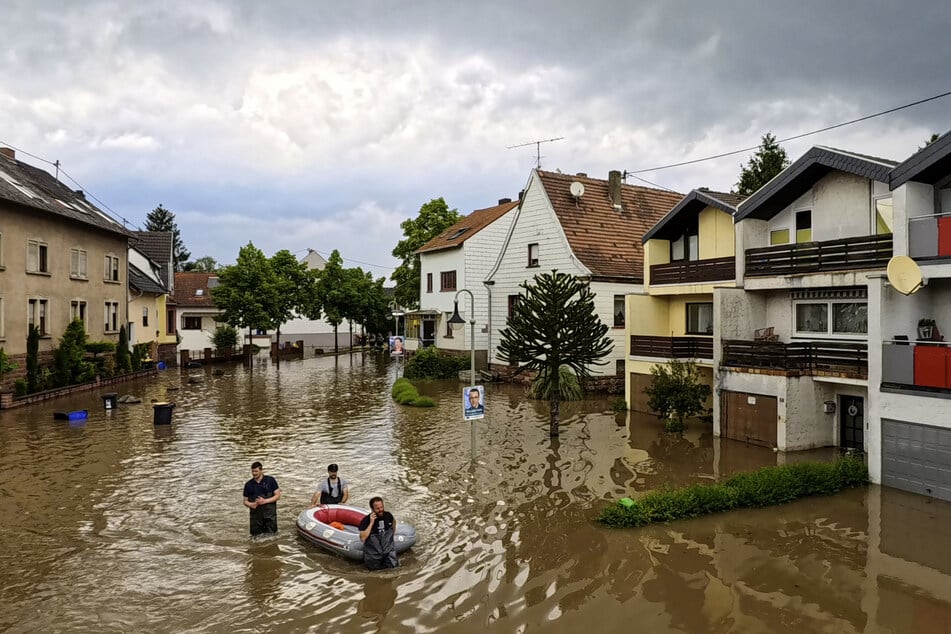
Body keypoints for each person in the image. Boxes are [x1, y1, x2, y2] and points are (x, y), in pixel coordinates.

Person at [358, 496, 398, 570]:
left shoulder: (388, 515)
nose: (380, 510)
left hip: (388, 551)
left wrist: (392, 535)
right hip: (374, 554)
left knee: (394, 568)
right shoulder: (366, 520)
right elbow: (363, 538)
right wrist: (371, 523)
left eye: (381, 507)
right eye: (377, 508)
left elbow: (394, 522)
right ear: (372, 509)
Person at [243, 461, 281, 536]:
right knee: (255, 537)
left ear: (261, 470)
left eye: (256, 471)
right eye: (252, 471)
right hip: (255, 518)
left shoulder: (270, 480)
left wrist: (265, 501)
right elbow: (245, 501)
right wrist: (251, 504)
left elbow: (278, 496)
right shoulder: (248, 484)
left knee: (272, 536)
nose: (254, 473)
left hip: (269, 516)